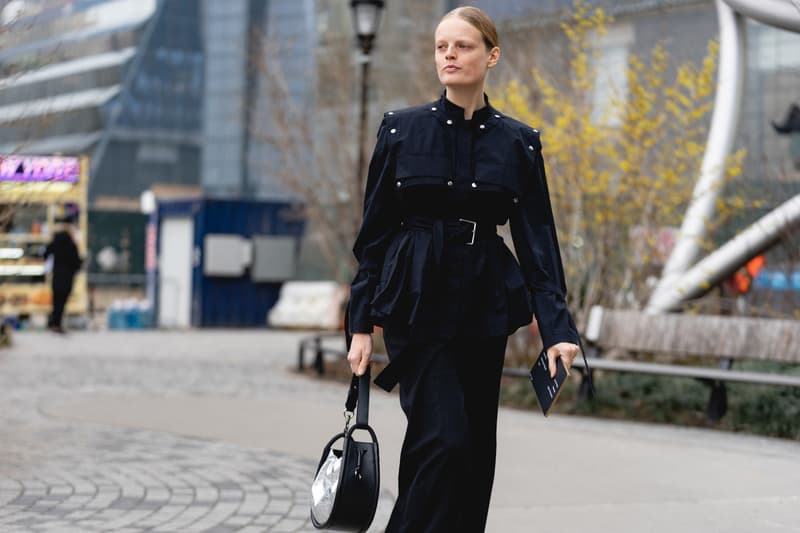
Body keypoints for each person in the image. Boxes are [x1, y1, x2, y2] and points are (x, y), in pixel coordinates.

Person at [346, 6, 581, 532]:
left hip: (483, 304)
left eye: (462, 46)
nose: (448, 55)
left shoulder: (518, 142)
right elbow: (374, 236)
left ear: (491, 55)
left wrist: (559, 332)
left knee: (472, 454)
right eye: (440, 46)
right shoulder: (400, 130)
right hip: (417, 300)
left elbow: (538, 242)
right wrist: (360, 322)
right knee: (443, 440)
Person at [44, 219, 82, 333]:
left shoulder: (55, 242)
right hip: (67, 278)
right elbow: (77, 262)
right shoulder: (72, 245)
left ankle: (53, 323)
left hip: (56, 276)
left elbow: (45, 254)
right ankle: (56, 324)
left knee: (56, 302)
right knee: (62, 302)